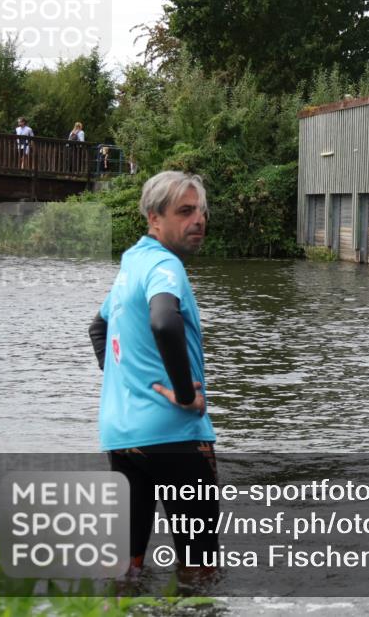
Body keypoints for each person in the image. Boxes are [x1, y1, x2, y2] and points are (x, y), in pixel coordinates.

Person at [88, 170, 218, 578]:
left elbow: (98, 327)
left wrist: (127, 383)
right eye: (185, 211)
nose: (198, 220)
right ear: (154, 218)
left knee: (127, 568)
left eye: (201, 211)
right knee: (200, 570)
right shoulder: (165, 265)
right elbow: (164, 321)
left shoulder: (133, 262)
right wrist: (185, 395)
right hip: (175, 435)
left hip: (123, 436)